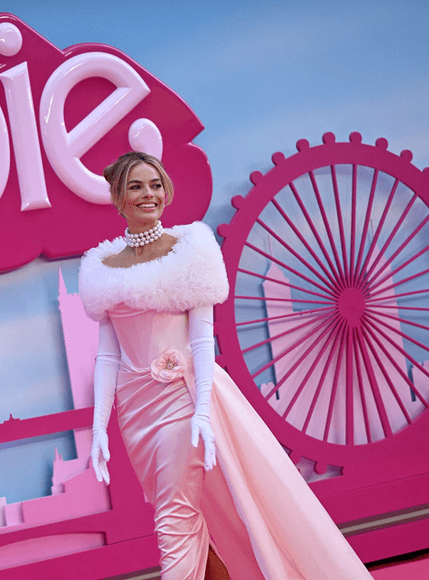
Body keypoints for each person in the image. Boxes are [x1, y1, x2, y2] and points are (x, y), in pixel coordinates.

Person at [78, 152, 372, 579]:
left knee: (173, 521)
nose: (149, 194)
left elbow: (201, 339)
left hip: (184, 401)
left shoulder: (192, 250)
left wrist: (200, 410)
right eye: (137, 186)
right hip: (135, 411)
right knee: (191, 517)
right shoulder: (101, 269)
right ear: (118, 197)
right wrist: (99, 426)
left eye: (156, 184)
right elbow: (108, 353)